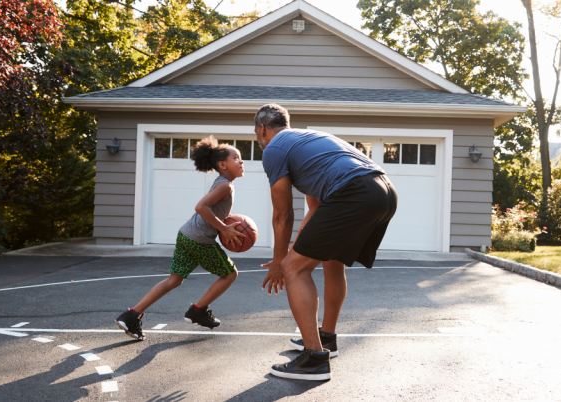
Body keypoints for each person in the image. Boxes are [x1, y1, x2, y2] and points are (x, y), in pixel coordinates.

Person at [255, 104, 397, 381]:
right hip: (383, 191)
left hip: (354, 193)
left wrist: (280, 262)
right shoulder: (309, 140)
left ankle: (314, 359)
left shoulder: (274, 149)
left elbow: (283, 214)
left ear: (262, 129)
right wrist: (297, 248)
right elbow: (315, 208)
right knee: (331, 261)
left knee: (295, 269)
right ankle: (326, 339)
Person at [115, 136, 246, 340]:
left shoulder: (224, 183)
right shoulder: (225, 186)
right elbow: (200, 207)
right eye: (236, 158)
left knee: (174, 280)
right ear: (223, 165)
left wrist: (224, 222)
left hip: (186, 235)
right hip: (199, 239)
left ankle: (132, 314)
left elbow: (210, 209)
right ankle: (198, 311)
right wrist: (224, 228)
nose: (241, 161)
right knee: (230, 274)